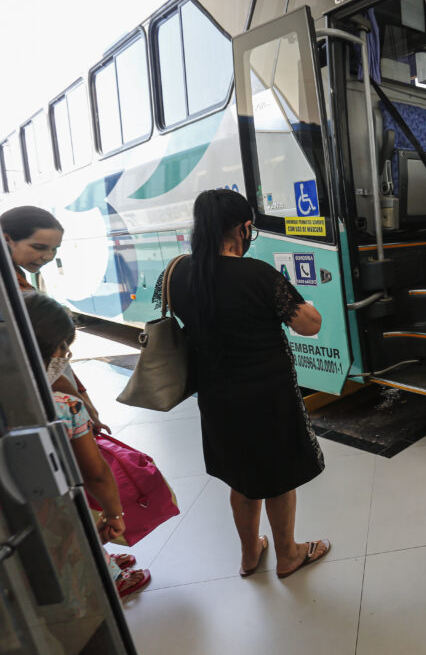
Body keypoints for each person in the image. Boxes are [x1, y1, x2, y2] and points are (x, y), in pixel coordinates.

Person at [156, 188, 330, 578]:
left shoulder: (180, 272)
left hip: (216, 396)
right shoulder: (257, 275)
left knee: (241, 477)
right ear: (242, 228)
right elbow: (309, 324)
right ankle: (288, 554)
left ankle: (249, 554)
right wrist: (312, 306)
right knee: (278, 478)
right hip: (267, 394)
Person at [22, 292, 152, 599]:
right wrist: (114, 514)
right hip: (55, 503)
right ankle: (108, 577)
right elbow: (95, 473)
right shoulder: (64, 406)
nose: (65, 357)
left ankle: (100, 560)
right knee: (72, 533)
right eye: (64, 348)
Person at [1, 206, 112, 435]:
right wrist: (78, 400)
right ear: (7, 239)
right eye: (39, 247)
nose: (48, 257)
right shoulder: (10, 289)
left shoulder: (15, 279)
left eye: (54, 250)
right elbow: (44, 357)